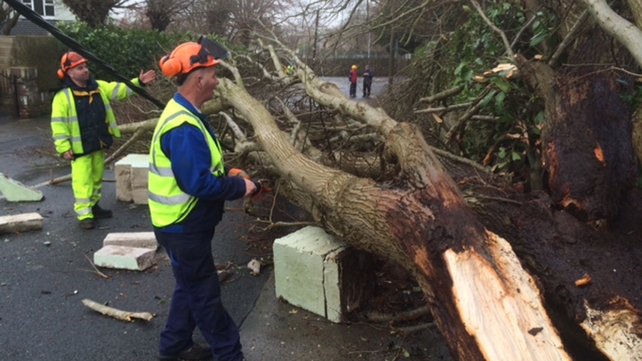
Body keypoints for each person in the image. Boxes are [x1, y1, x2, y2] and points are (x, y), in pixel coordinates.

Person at [150, 40, 257, 361]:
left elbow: (200, 166)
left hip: (181, 226)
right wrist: (240, 188)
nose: (218, 80)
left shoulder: (186, 112)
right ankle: (230, 354)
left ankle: (174, 346)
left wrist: (229, 171)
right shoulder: (183, 127)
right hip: (182, 227)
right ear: (198, 80)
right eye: (213, 74)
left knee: (189, 286)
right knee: (205, 296)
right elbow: (197, 182)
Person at [50, 51, 156, 230]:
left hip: (97, 142)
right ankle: (84, 214)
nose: (85, 70)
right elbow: (58, 125)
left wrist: (139, 83)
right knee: (82, 180)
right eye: (80, 68)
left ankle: (94, 206)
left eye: (85, 67)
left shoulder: (97, 87)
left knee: (96, 176)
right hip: (79, 148)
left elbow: (119, 90)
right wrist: (63, 147)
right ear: (69, 73)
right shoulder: (63, 97)